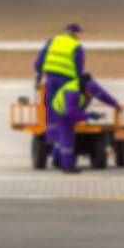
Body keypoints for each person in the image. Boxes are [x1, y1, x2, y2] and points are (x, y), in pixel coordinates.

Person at [34, 23, 87, 171]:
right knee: (64, 118)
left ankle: (54, 148)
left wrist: (39, 75)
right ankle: (60, 158)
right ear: (76, 33)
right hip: (66, 84)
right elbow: (79, 69)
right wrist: (80, 87)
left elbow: (39, 63)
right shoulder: (76, 47)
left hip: (51, 81)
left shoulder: (52, 41)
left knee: (52, 114)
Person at [48, 73, 120, 173]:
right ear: (84, 89)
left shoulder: (92, 86)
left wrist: (115, 104)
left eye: (92, 94)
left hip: (72, 109)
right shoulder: (72, 92)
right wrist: (89, 116)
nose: (91, 96)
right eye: (89, 94)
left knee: (64, 138)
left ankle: (56, 160)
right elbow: (71, 113)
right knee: (67, 138)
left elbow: (103, 95)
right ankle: (67, 167)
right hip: (62, 112)